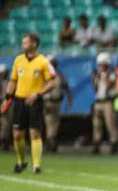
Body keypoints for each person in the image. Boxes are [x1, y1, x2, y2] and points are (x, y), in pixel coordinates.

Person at [2, 34, 56, 174]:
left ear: (34, 44)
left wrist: (37, 94)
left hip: (35, 101)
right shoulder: (18, 60)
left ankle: (36, 166)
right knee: (17, 135)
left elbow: (52, 83)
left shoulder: (44, 62)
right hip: (19, 100)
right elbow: (13, 80)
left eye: (25, 42)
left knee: (34, 133)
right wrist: (7, 97)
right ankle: (21, 162)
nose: (22, 45)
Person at [43, 56, 73, 153]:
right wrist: (43, 102)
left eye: (54, 62)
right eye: (52, 62)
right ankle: (50, 141)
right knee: (49, 122)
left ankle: (51, 140)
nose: (53, 64)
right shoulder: (44, 75)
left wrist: (69, 98)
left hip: (57, 101)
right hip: (48, 101)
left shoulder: (59, 75)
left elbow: (66, 87)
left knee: (56, 122)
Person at [91, 52, 118, 154]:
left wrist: (103, 76)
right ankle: (97, 144)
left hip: (108, 102)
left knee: (110, 123)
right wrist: (96, 77)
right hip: (98, 101)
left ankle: (113, 143)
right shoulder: (97, 74)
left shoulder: (112, 73)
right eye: (100, 64)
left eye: (102, 64)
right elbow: (95, 88)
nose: (100, 66)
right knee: (96, 124)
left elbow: (109, 85)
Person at [0, 64, 13, 152]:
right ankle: (2, 141)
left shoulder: (9, 81)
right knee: (3, 123)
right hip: (1, 103)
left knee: (7, 124)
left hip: (8, 104)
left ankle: (6, 141)